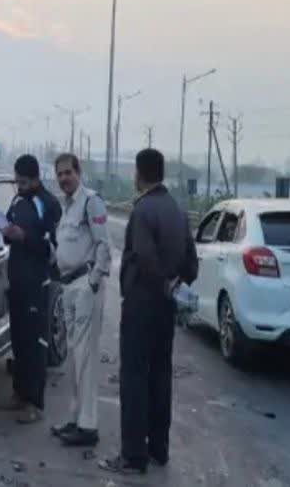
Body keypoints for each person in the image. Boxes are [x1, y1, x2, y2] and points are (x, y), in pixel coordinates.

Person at [100, 148, 186, 475]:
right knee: (161, 374)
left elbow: (146, 258)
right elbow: (190, 259)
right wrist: (175, 283)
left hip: (142, 304)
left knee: (134, 378)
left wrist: (157, 281)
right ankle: (158, 449)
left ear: (139, 173)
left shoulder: (143, 209)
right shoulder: (177, 208)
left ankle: (133, 456)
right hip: (166, 306)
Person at [49, 153, 111, 447]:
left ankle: (88, 427)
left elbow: (103, 245)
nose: (63, 179)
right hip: (68, 287)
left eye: (68, 173)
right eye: (59, 174)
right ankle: (75, 419)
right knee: (74, 359)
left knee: (85, 359)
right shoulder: (67, 207)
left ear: (78, 172)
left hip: (84, 286)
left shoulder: (90, 202)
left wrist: (93, 281)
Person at [0, 154, 61, 424]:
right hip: (17, 281)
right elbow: (7, 234)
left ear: (35, 178)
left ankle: (35, 403)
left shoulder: (48, 204)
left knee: (37, 344)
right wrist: (7, 232)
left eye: (23, 182)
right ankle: (20, 394)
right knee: (20, 340)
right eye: (17, 181)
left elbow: (54, 249)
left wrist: (26, 237)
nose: (19, 185)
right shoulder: (17, 201)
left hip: (37, 282)